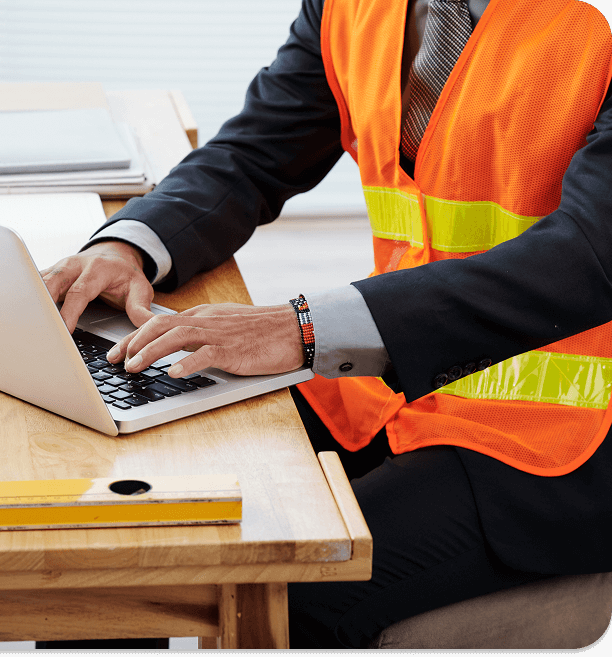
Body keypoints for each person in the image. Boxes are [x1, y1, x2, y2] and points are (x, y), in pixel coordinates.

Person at [40, 0, 612, 648]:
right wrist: (129, 247)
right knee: (115, 531)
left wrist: (300, 327)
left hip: (564, 440)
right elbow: (255, 152)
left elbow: (590, 254)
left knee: (280, 583)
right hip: (393, 384)